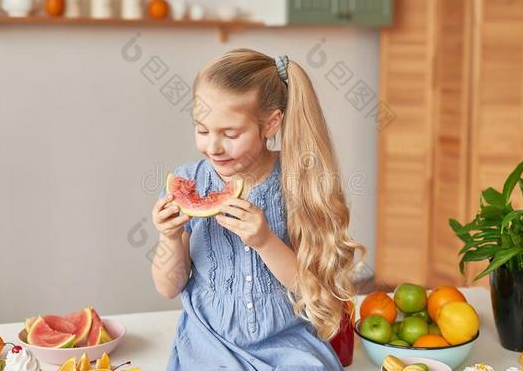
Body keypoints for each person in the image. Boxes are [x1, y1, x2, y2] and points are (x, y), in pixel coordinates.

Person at [152, 48, 364, 370]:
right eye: (202, 130)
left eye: (230, 133)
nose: (213, 147)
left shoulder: (298, 183)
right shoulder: (189, 179)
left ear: (270, 124)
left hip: (286, 342)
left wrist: (266, 242)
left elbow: (315, 294)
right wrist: (169, 237)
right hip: (209, 341)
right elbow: (169, 287)